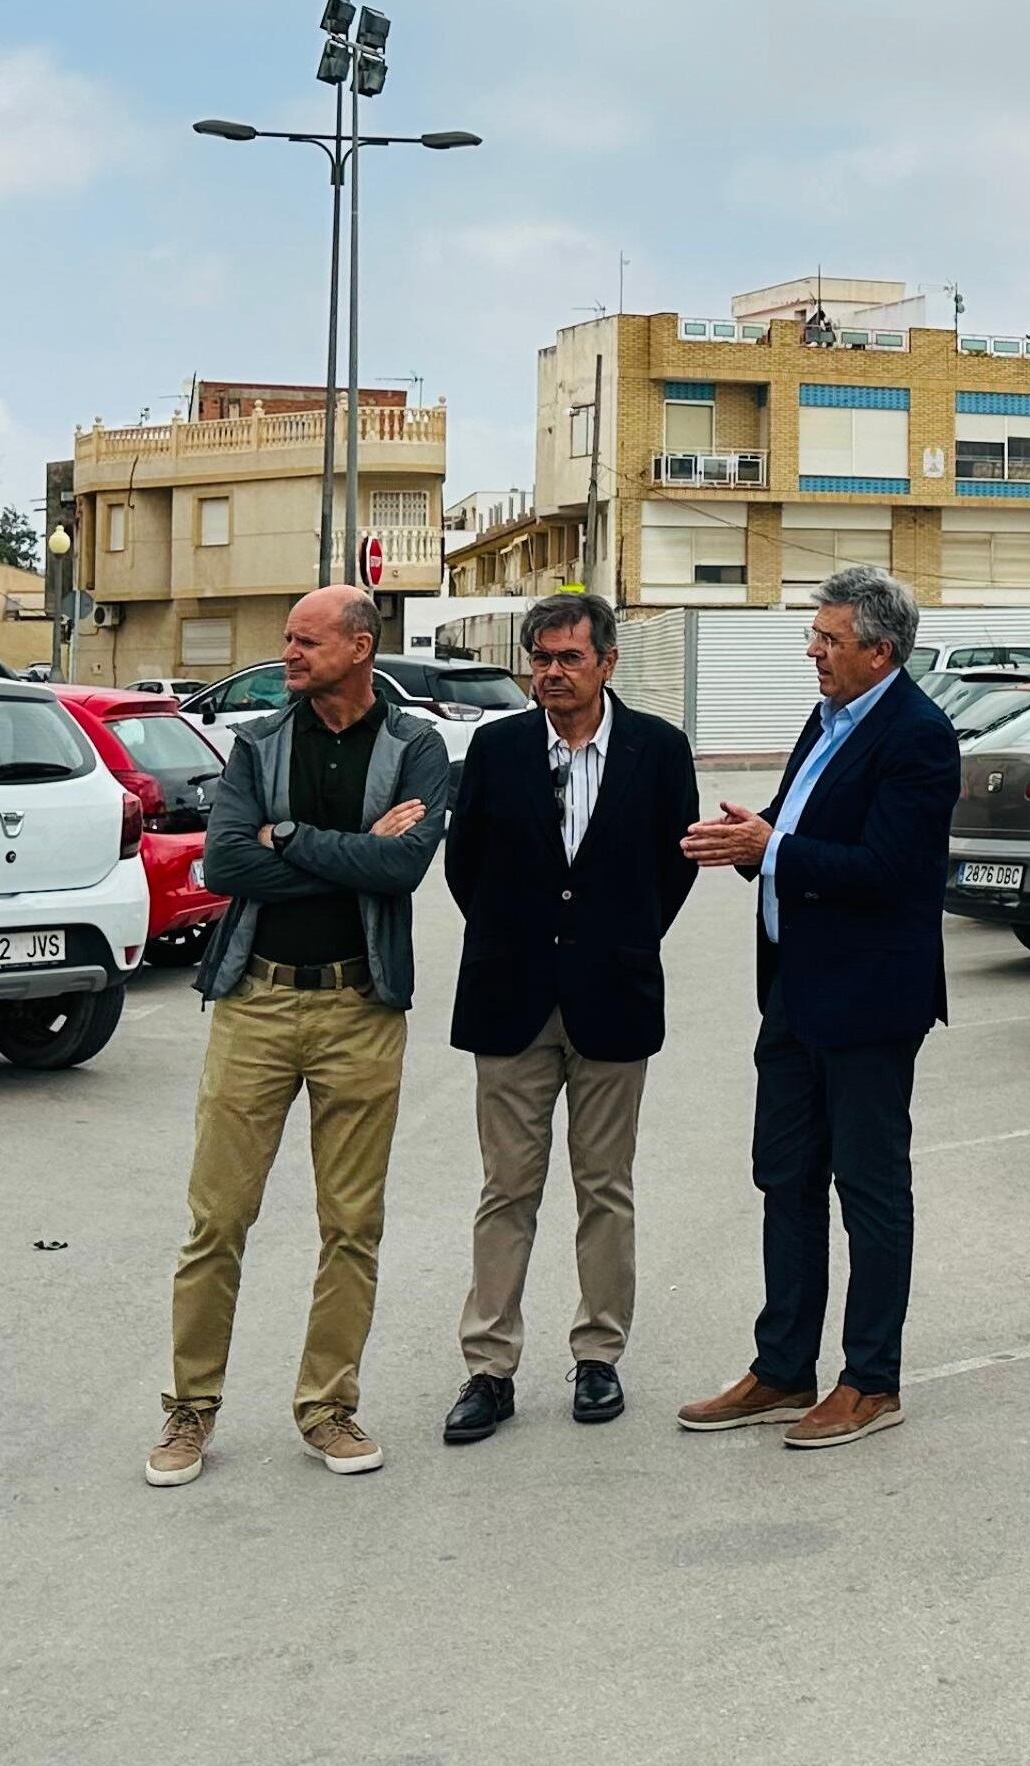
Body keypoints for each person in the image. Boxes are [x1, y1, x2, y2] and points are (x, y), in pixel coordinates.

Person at [146, 585, 452, 1487]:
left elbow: (404, 868)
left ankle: (328, 1406)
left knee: (351, 1224)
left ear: (360, 647)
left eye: (306, 640)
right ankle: (189, 1408)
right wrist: (343, 844)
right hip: (257, 1005)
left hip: (361, 1007)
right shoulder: (259, 741)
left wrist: (292, 839)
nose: (288, 652)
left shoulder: (415, 747)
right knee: (217, 1219)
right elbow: (225, 859)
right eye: (286, 638)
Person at [676, 564, 954, 1451]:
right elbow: (800, 827)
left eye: (828, 640)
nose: (812, 653)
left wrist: (776, 847)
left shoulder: (918, 736)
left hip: (870, 998)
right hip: (794, 988)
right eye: (814, 636)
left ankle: (872, 1381)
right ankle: (783, 1365)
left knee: (869, 1190)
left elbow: (889, 871)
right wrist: (748, 838)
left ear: (879, 651)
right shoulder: (828, 718)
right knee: (783, 1179)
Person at [438, 591, 700, 1444]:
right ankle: (489, 1369)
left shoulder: (658, 751)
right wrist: (526, 942)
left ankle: (597, 1356)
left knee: (604, 1187)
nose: (550, 673)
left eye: (568, 659)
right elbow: (465, 868)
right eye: (539, 659)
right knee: (506, 1189)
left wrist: (611, 942)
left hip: (612, 998)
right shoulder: (495, 747)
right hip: (510, 999)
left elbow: (675, 869)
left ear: (607, 663)